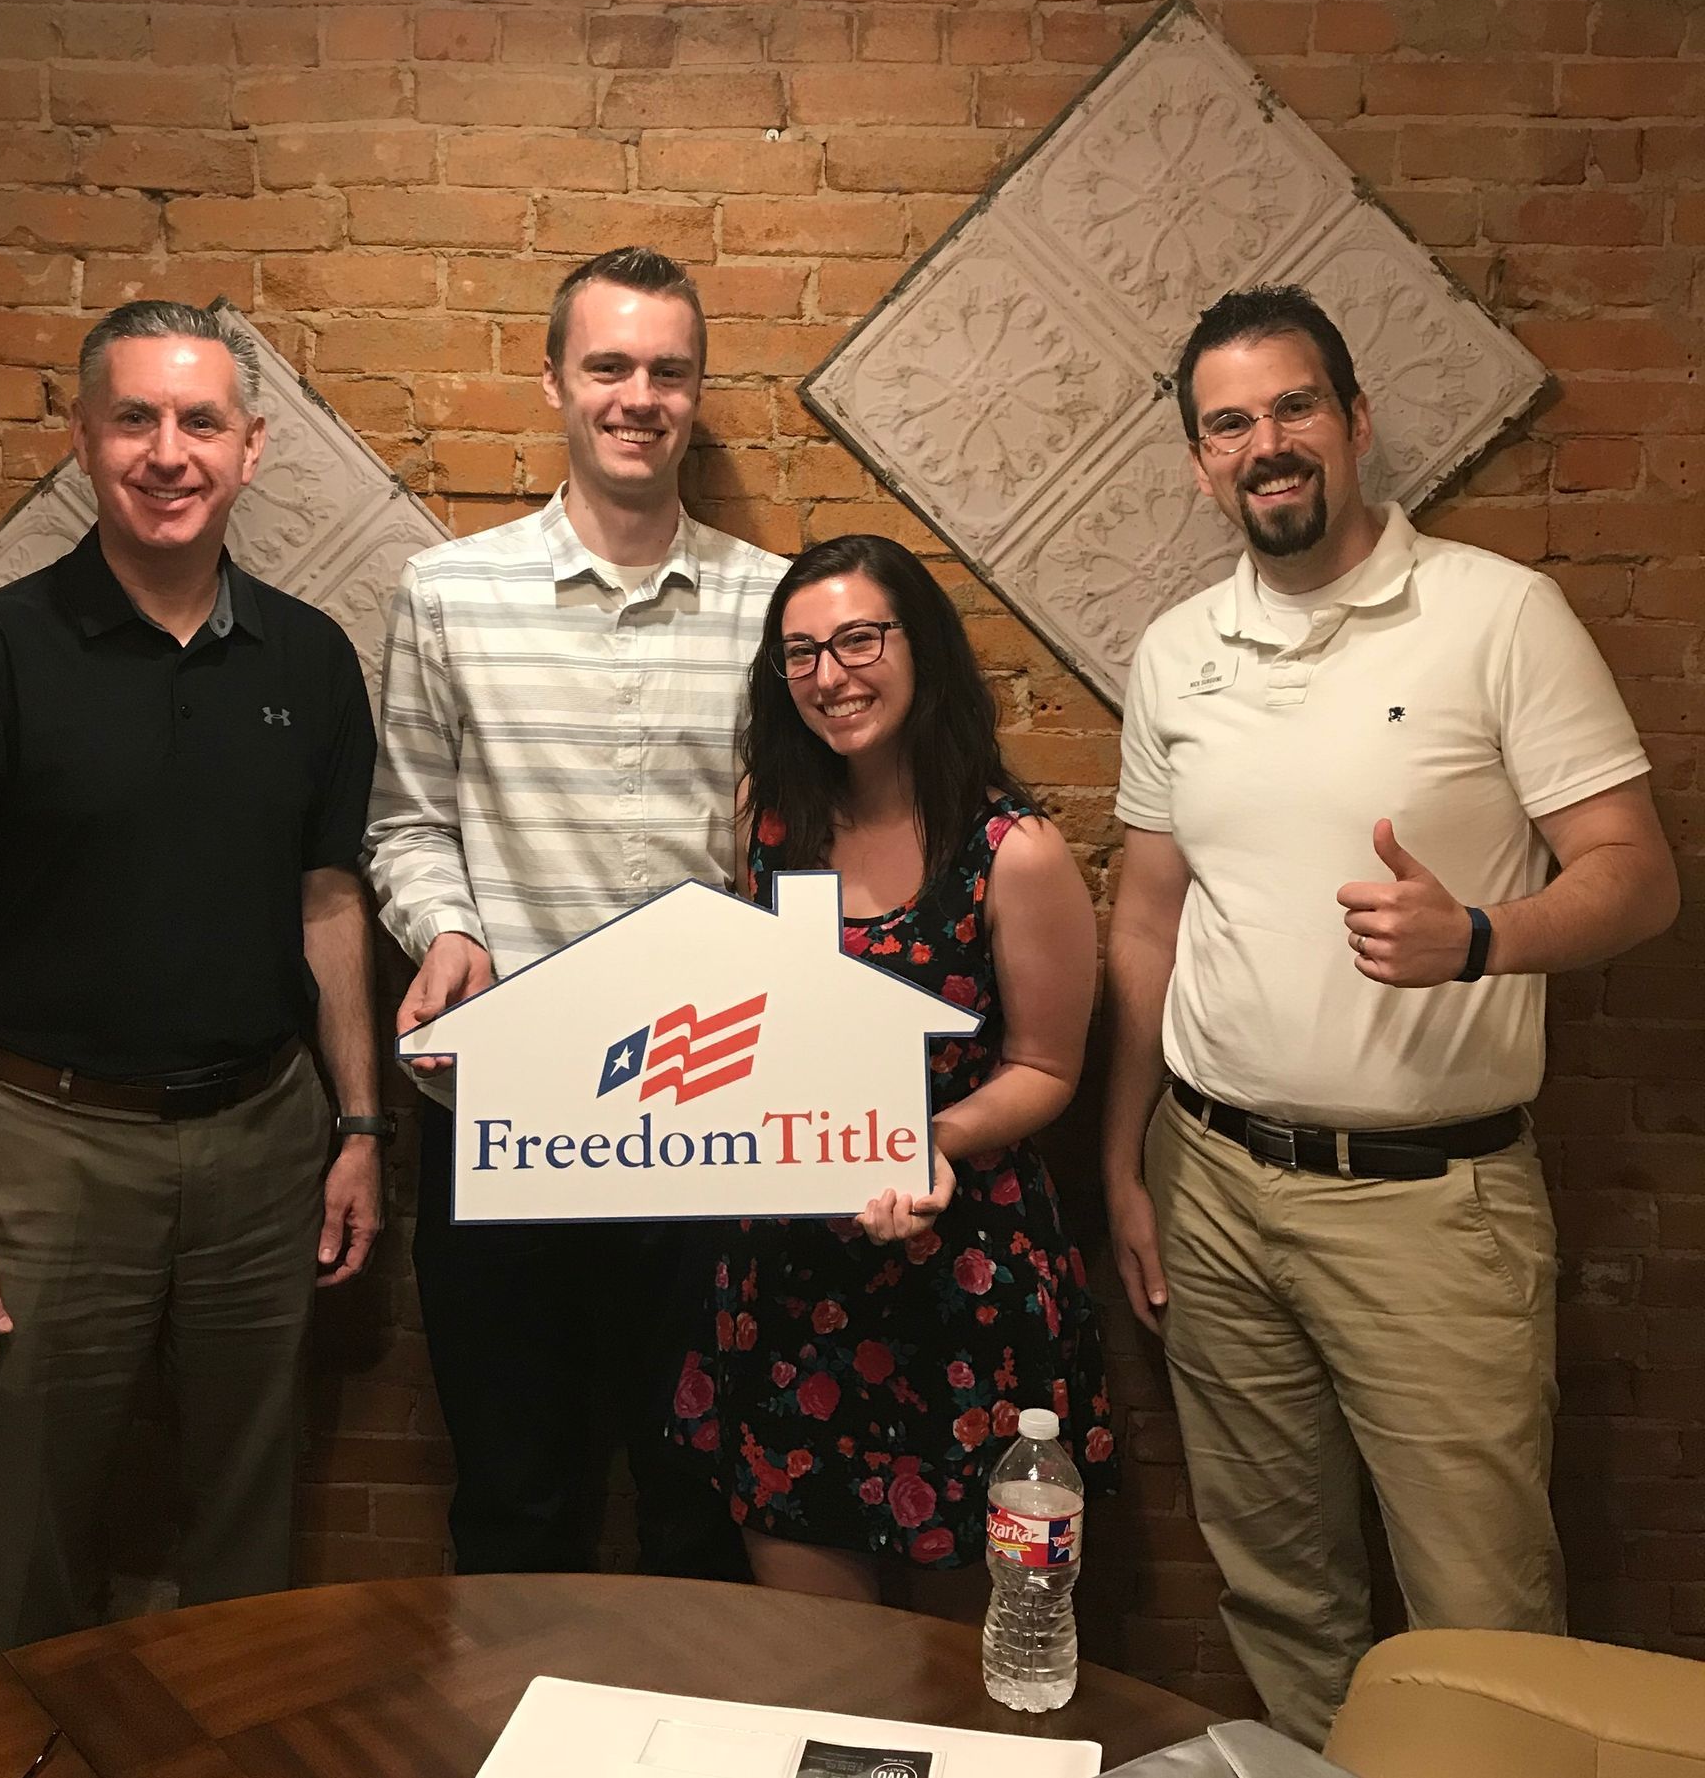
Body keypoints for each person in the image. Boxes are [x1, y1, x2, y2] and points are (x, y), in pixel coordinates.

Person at [1100, 285, 1680, 1744]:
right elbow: (1149, 918)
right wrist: (1125, 1158)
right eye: (1229, 424)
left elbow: (1638, 875)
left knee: (1481, 1620)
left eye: (1295, 406)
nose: (1267, 443)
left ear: (1356, 421)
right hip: (1212, 1186)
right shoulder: (1176, 651)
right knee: (1280, 1589)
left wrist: (1481, 936)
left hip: (1431, 1205)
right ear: (1200, 463)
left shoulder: (1497, 615)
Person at [0, 300, 385, 1658]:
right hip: (45, 1151)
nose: (169, 453)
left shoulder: (311, 658)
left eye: (200, 422)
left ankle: (229, 1746)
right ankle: (14, 1743)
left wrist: (359, 1126)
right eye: (136, 419)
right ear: (82, 437)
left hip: (266, 1145)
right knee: (23, 1531)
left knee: (248, 1529)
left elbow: (330, 903)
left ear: (251, 447)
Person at [365, 246, 785, 1577]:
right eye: (609, 365)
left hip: (714, 1120)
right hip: (507, 1112)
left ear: (696, 392)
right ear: (553, 380)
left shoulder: (775, 604)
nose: (637, 396)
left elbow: (805, 847)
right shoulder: (448, 593)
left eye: (668, 371)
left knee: (701, 1505)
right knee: (516, 1503)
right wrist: (448, 929)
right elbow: (405, 821)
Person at [671, 534, 1116, 1613]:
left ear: (922, 647)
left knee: (958, 1666)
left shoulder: (1012, 849)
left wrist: (929, 1144)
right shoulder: (768, 822)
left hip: (957, 1276)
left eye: (860, 640)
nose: (831, 675)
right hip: (790, 1278)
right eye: (802, 653)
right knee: (810, 1650)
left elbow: (1047, 1067)